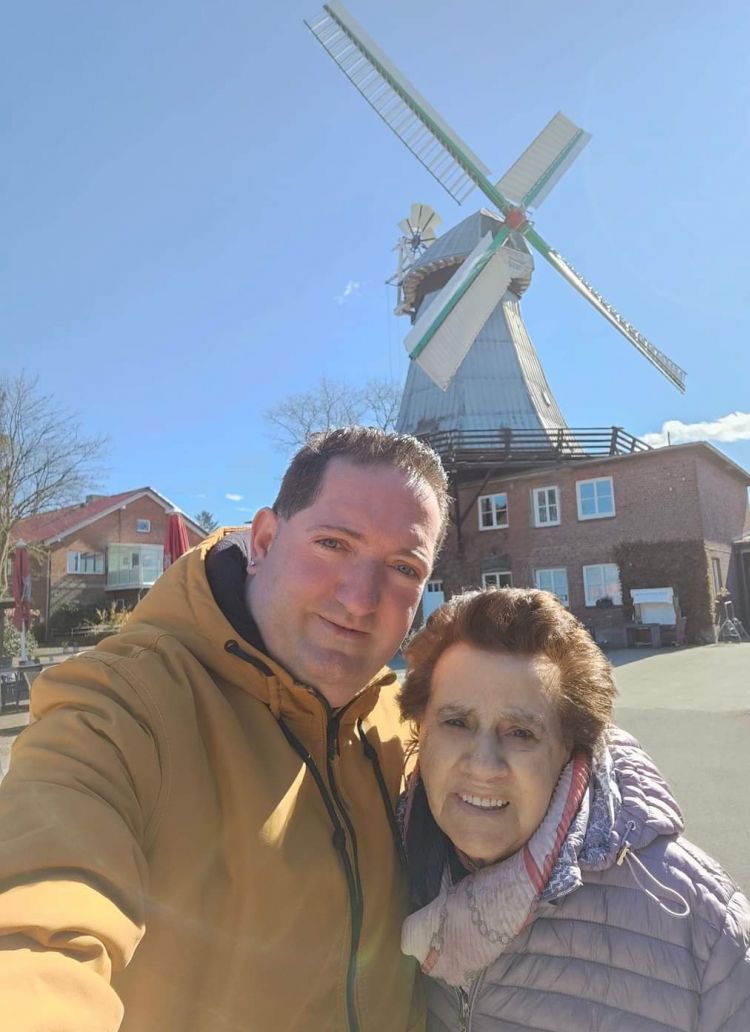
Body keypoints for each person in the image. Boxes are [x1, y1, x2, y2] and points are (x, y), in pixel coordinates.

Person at [0, 426, 449, 1032]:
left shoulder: (409, 723)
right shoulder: (122, 707)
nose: (360, 598)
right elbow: (36, 919)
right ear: (263, 539)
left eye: (402, 566)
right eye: (333, 543)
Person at [398, 588, 750, 1032]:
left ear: (571, 752)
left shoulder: (694, 919)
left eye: (521, 733)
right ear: (421, 731)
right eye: (457, 722)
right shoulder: (379, 868)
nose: (483, 764)